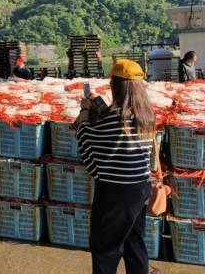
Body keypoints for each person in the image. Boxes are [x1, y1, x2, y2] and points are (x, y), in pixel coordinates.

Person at [75, 59, 155, 274]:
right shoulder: (145, 115)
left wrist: (84, 111)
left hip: (115, 192)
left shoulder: (114, 117)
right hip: (140, 187)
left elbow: (86, 136)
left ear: (115, 86)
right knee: (134, 242)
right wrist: (98, 103)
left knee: (105, 249)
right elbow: (115, 127)